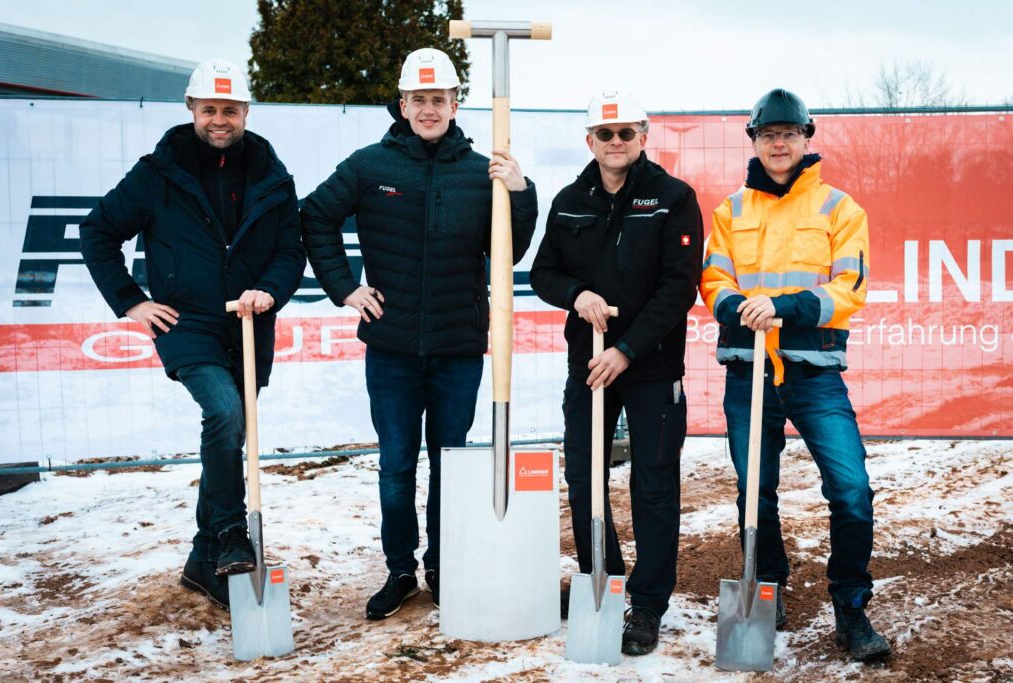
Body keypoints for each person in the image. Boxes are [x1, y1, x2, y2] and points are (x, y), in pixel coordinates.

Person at [300, 47, 538, 620]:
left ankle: (446, 568)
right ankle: (401, 571)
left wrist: (521, 191)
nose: (429, 109)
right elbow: (314, 217)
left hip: (458, 348)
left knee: (449, 463)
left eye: (440, 99)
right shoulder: (369, 167)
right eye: (419, 99)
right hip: (392, 349)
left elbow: (511, 252)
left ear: (455, 105)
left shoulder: (481, 172)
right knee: (397, 462)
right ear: (402, 104)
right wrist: (346, 288)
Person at [79, 58, 305, 612]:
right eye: (210, 109)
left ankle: (204, 562)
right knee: (225, 413)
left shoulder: (272, 175)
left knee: (233, 436)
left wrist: (269, 291)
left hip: (250, 323)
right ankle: (232, 534)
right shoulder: (159, 173)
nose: (220, 120)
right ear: (191, 110)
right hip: (188, 323)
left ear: (246, 112)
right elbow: (98, 231)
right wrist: (131, 300)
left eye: (230, 110)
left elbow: (289, 251)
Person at [699, 88, 891, 662]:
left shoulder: (839, 208)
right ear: (754, 142)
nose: (778, 143)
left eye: (788, 133)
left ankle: (851, 611)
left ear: (807, 139)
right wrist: (740, 308)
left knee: (851, 490)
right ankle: (768, 587)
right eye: (767, 134)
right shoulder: (731, 211)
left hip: (813, 376)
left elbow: (848, 288)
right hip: (749, 374)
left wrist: (781, 306)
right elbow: (714, 282)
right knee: (754, 492)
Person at [530, 90, 703, 655]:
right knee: (584, 478)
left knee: (652, 483)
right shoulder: (569, 200)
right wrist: (576, 294)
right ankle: (602, 578)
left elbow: (679, 288)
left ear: (644, 137)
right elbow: (543, 273)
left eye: (627, 133)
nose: (616, 143)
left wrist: (625, 349)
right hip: (588, 367)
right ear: (590, 142)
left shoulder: (673, 198)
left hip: (650, 367)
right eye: (605, 135)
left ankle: (648, 603)